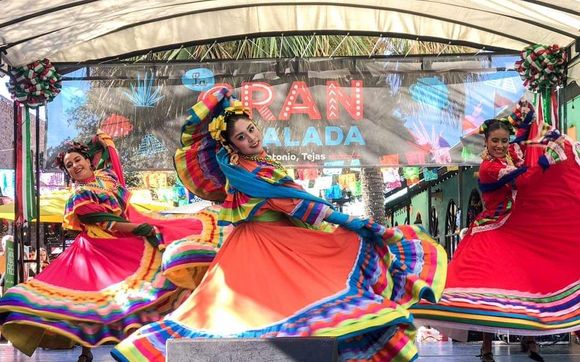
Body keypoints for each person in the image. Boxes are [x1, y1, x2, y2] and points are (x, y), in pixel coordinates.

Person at [112, 88, 448, 361]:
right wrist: (350, 220)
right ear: (232, 146)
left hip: (275, 240)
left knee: (283, 315)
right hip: (260, 245)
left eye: (251, 129)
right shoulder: (247, 172)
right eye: (242, 137)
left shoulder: (259, 163)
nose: (251, 138)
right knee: (259, 317)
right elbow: (298, 204)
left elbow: (298, 204)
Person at [0, 130, 227, 361]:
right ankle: (87, 350)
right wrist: (140, 230)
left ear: (89, 160)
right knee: (91, 300)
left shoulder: (107, 179)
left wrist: (102, 140)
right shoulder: (79, 196)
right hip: (99, 247)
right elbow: (108, 222)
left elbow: (113, 161)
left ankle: (163, 334)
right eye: (69, 165)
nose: (75, 166)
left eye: (78, 159)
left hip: (124, 237)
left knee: (161, 271)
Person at [412, 100, 580, 362]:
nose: (501, 145)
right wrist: (547, 161)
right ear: (486, 143)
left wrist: (526, 121)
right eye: (495, 141)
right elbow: (523, 178)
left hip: (516, 226)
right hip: (492, 230)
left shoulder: (510, 152)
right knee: (489, 288)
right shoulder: (489, 169)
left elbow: (523, 141)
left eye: (503, 140)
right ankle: (487, 347)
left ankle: (531, 339)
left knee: (528, 279)